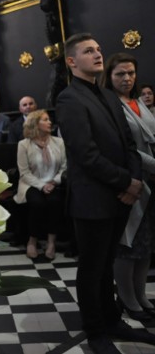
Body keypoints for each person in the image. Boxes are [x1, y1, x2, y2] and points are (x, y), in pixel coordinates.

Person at [56, 33, 155, 354]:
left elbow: (129, 146)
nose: (98, 54)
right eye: (88, 51)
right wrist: (127, 183)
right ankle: (96, 330)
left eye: (99, 49)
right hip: (92, 200)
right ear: (72, 61)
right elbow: (85, 154)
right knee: (92, 269)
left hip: (120, 196)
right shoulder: (69, 99)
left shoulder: (109, 97)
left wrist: (133, 180)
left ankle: (113, 320)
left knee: (109, 263)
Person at [100, 53, 155, 322]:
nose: (127, 78)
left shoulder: (137, 102)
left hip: (151, 180)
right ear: (109, 77)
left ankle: (141, 294)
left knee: (146, 244)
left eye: (131, 73)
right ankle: (127, 297)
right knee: (128, 244)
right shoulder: (110, 104)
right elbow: (125, 148)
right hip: (132, 180)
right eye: (120, 74)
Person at [13, 110, 67, 260]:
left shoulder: (59, 142)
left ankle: (51, 243)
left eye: (49, 119)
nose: (50, 122)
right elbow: (24, 172)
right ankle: (32, 241)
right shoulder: (24, 145)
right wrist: (41, 185)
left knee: (55, 202)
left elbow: (64, 167)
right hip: (31, 184)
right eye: (45, 120)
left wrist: (54, 181)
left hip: (54, 183)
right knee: (38, 203)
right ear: (35, 124)